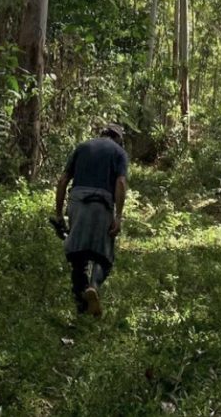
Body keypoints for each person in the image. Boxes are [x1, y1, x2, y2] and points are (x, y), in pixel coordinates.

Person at [51, 123, 128, 317]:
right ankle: (93, 286)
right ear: (118, 138)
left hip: (78, 201)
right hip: (102, 203)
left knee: (78, 254)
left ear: (102, 134)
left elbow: (62, 181)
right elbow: (120, 183)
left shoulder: (82, 147)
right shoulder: (119, 152)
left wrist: (59, 214)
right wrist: (118, 216)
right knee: (104, 254)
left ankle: (81, 303)